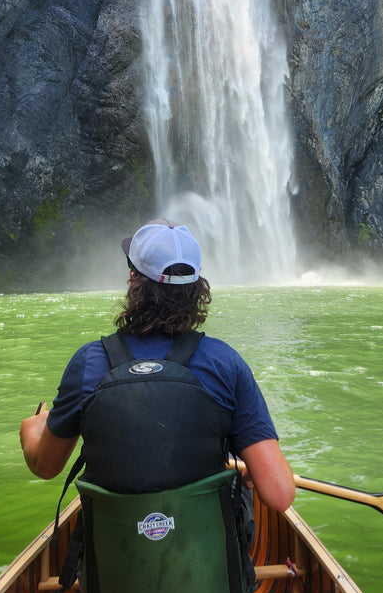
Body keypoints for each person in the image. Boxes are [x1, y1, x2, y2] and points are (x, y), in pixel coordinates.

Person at [20, 218, 294, 511]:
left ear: (133, 280)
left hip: (116, 556)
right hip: (202, 556)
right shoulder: (225, 364)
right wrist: (252, 466)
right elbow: (279, 495)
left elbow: (45, 467)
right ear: (196, 289)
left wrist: (31, 430)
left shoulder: (89, 363)